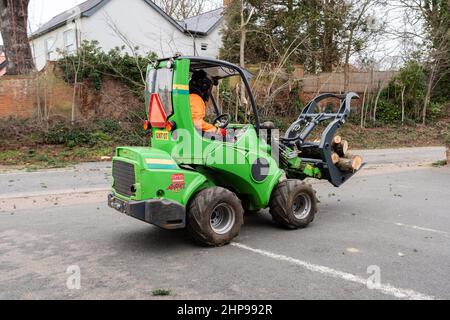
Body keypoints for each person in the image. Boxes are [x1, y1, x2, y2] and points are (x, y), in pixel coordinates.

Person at [189, 70, 226, 137]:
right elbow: (197, 123)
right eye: (209, 87)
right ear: (204, 87)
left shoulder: (189, 97)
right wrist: (217, 130)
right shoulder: (196, 99)